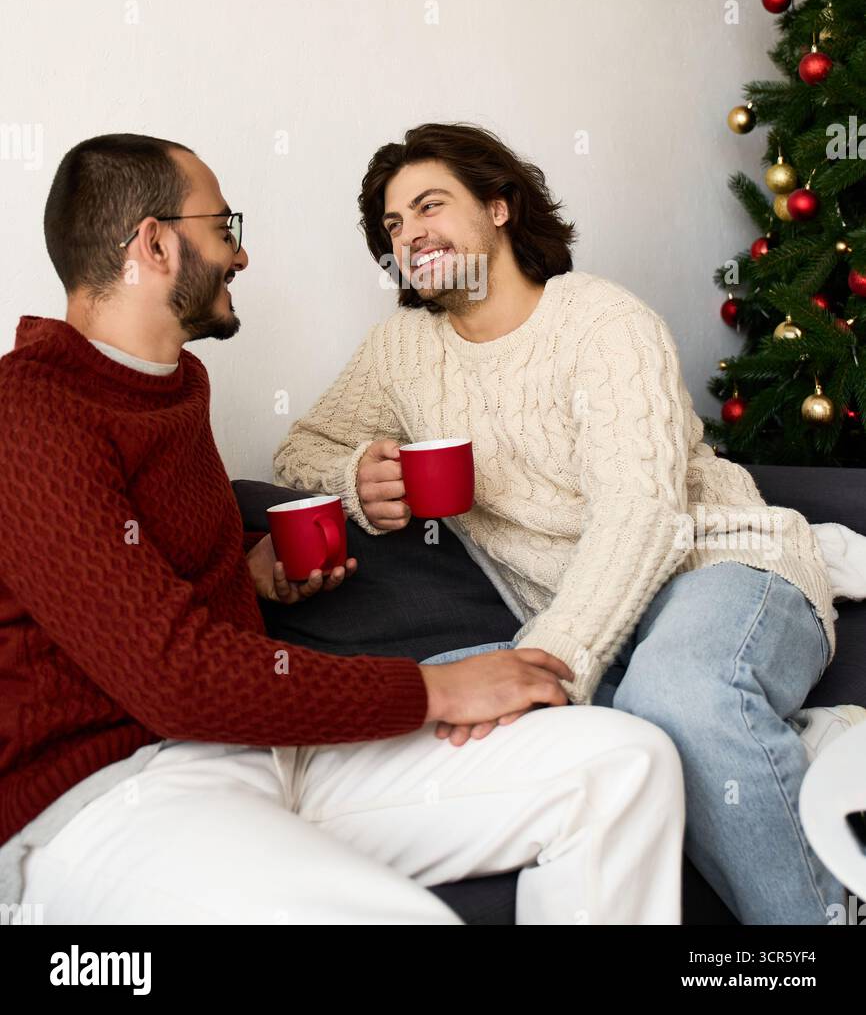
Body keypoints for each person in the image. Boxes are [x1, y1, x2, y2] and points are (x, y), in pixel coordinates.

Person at [0, 132, 685, 926]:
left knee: (624, 764)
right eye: (226, 229)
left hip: (266, 750)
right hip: (108, 796)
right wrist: (434, 687)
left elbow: (130, 586)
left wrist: (246, 574)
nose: (242, 257)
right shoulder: (31, 413)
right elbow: (176, 678)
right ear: (154, 244)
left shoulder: (176, 385)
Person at [273, 120, 852, 926]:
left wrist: (549, 666)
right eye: (394, 227)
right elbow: (301, 446)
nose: (411, 236)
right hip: (584, 621)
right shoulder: (402, 351)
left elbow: (643, 517)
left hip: (719, 565)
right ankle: (784, 740)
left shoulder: (600, 321)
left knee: (678, 694)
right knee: (416, 712)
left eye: (431, 205)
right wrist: (353, 480)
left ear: (500, 207)